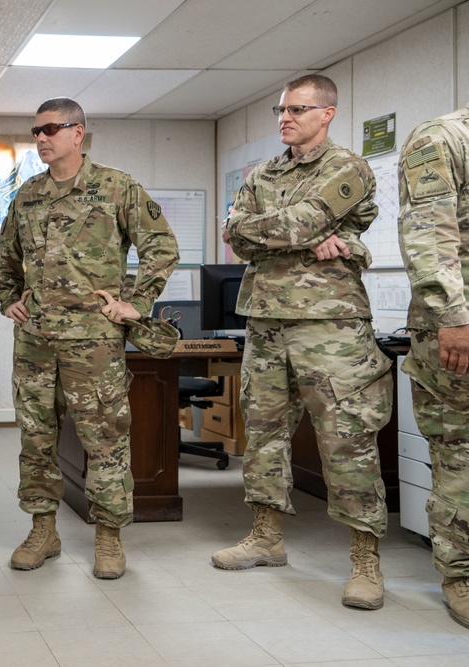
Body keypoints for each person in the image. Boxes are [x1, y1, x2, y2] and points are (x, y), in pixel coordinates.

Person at [214, 74, 393, 611]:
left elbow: (300, 221)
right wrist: (298, 233)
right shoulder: (265, 171)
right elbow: (235, 235)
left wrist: (285, 228)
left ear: (327, 113)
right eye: (280, 109)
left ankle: (366, 561)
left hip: (329, 323)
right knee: (264, 432)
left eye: (296, 109)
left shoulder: (349, 167)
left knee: (346, 438)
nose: (284, 118)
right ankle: (266, 538)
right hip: (266, 318)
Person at [0, 97, 179, 579]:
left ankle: (109, 536)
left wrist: (135, 304)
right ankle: (43, 530)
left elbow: (161, 246)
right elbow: (5, 257)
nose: (41, 138)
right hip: (35, 341)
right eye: (35, 131)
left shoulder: (117, 187)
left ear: (78, 133)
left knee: (105, 440)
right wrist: (7, 296)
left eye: (50, 129)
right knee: (36, 440)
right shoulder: (28, 195)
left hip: (93, 341)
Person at [397, 104, 469, 628]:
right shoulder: (441, 138)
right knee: (461, 455)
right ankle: (461, 575)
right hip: (460, 328)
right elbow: (429, 236)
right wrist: (453, 316)